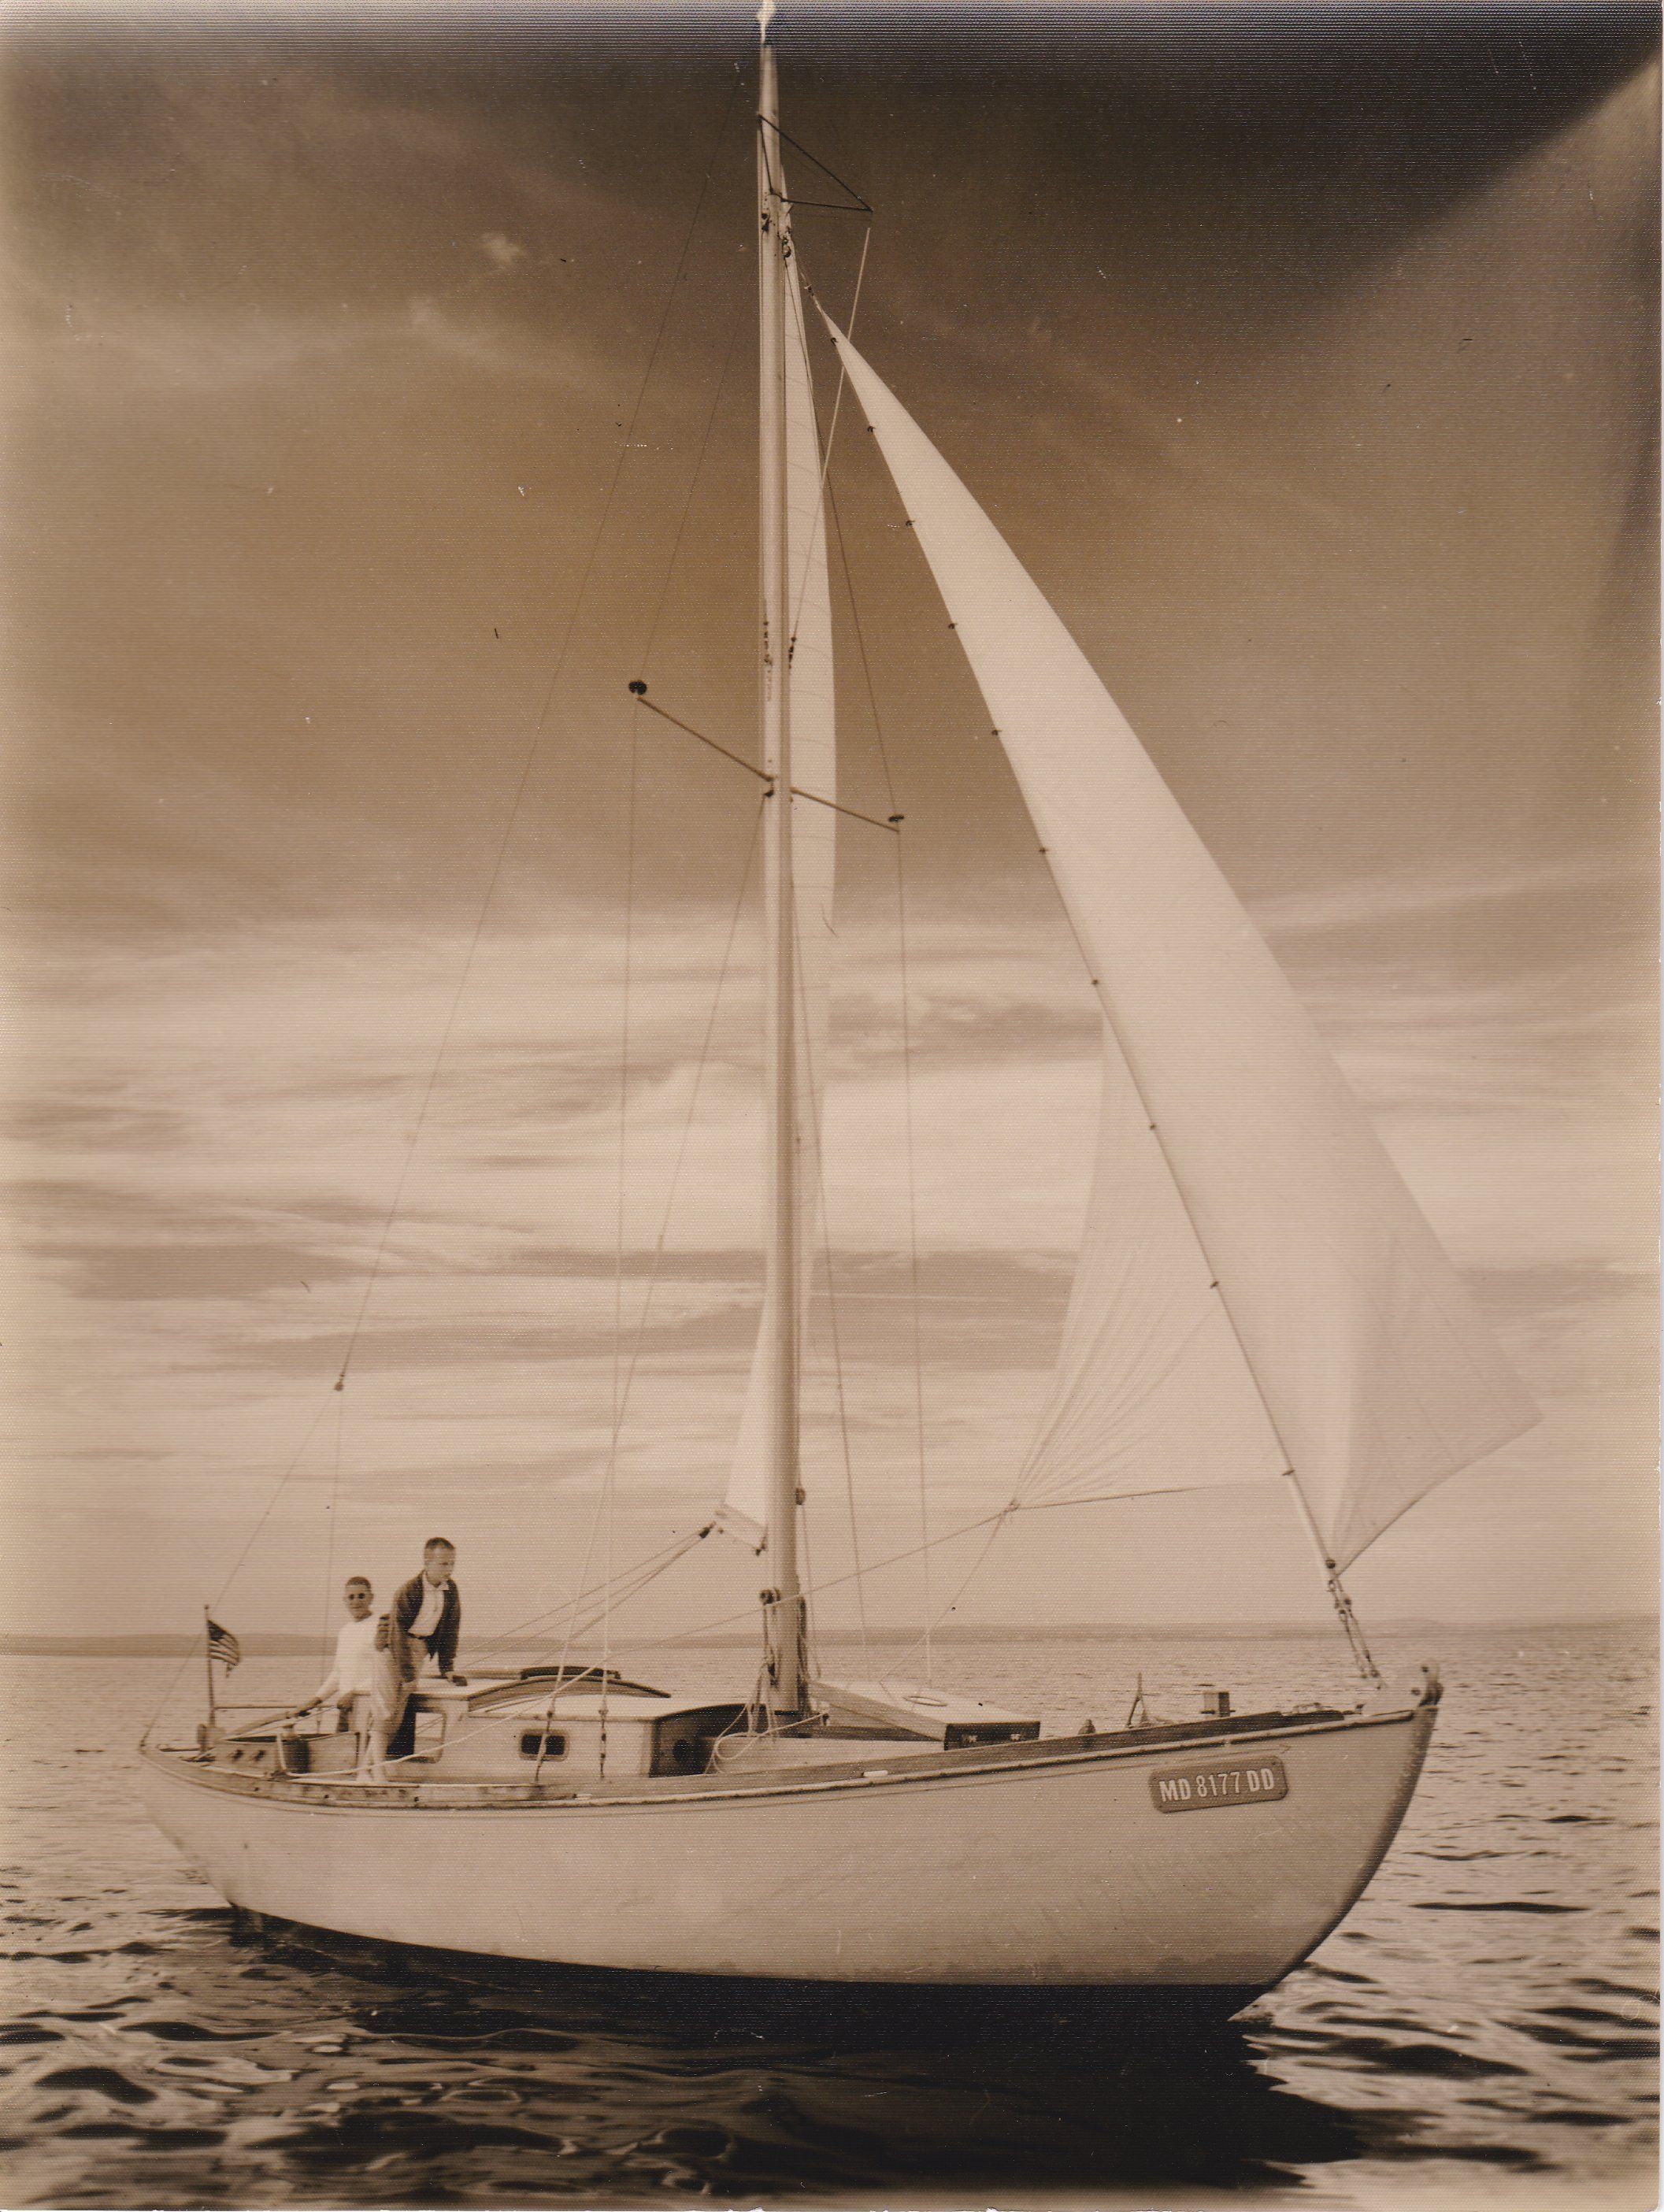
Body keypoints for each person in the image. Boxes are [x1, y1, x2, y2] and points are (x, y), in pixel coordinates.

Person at [367, 1537, 461, 1777]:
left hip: (418, 1648)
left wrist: (447, 1667)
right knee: (386, 1709)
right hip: (392, 1650)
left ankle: (365, 1770)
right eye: (443, 1564)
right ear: (427, 1562)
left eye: (452, 1563)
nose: (449, 1569)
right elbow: (397, 1634)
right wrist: (407, 1674)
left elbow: (451, 1629)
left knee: (397, 1710)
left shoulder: (450, 1591)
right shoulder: (409, 1591)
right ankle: (377, 1774)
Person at [307, 1577, 378, 1743]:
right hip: (347, 1708)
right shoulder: (345, 1631)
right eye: (351, 1597)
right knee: (342, 1752)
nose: (356, 1601)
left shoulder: (380, 1627)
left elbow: (386, 1671)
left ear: (371, 1598)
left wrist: (354, 1693)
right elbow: (338, 1673)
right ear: (345, 1600)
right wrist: (316, 1700)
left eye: (361, 1596)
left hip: (371, 1707)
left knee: (367, 1755)